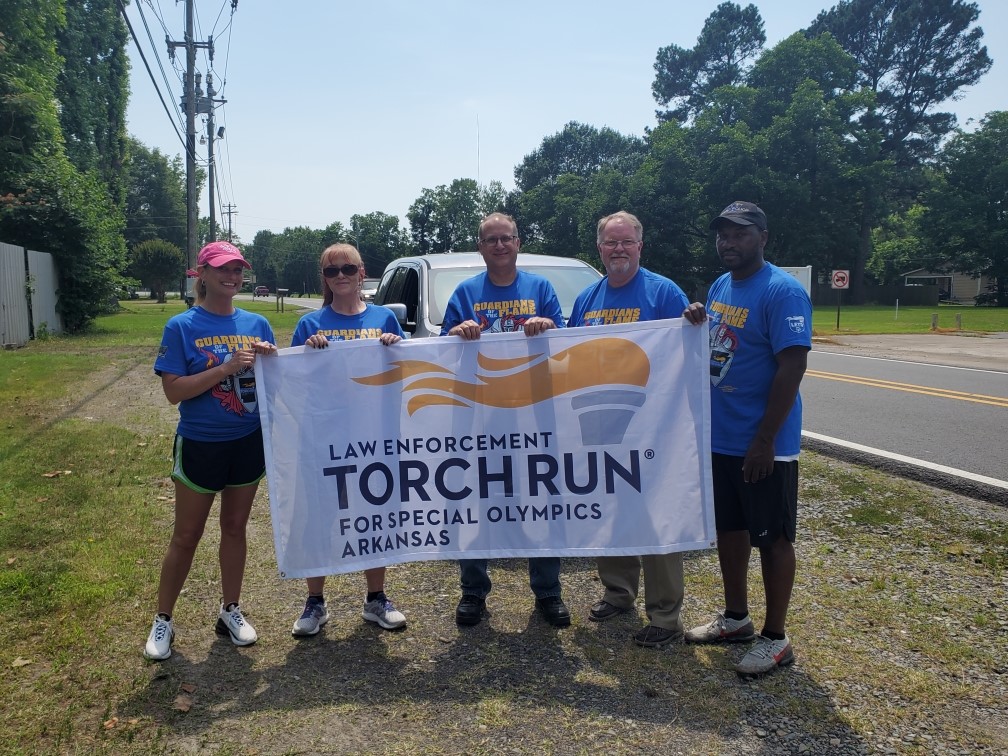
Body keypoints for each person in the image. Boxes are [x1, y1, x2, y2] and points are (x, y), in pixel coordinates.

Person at [682, 201, 812, 678]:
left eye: (739, 234)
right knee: (730, 530)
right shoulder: (721, 286)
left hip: (764, 444)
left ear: (763, 236)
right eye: (722, 234)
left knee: (773, 538)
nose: (728, 242)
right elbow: (716, 344)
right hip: (723, 437)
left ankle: (776, 639)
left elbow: (792, 366)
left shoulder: (783, 292)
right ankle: (736, 618)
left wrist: (764, 442)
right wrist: (696, 316)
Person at [144, 241, 278, 660]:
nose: (232, 277)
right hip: (201, 441)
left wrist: (271, 361)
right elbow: (172, 393)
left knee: (235, 528)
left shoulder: (257, 323)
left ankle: (230, 610)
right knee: (186, 535)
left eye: (238, 270)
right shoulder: (181, 326)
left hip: (247, 441)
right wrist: (224, 368)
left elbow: (275, 382)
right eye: (223, 269)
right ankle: (163, 619)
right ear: (200, 273)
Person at [440, 212, 571, 628]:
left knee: (542, 503)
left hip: (534, 415)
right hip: (480, 417)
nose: (499, 245)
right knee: (477, 505)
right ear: (480, 247)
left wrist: (548, 323)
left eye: (506, 238)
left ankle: (548, 592)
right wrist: (458, 331)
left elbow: (568, 341)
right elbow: (441, 351)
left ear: (518, 243)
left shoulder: (541, 287)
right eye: (491, 240)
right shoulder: (465, 292)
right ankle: (473, 592)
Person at [568, 210, 690, 648]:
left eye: (626, 242)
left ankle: (665, 615)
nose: (618, 249)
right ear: (599, 248)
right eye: (610, 242)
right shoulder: (588, 299)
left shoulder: (663, 292)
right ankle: (618, 592)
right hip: (602, 423)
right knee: (610, 510)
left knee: (656, 517)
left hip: (654, 426)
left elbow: (687, 352)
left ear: (640, 245)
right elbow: (571, 354)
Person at [289, 243, 408, 637]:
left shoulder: (384, 318)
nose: (340, 275)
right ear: (323, 278)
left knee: (374, 514)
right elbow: (291, 381)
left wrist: (397, 350)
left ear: (362, 273)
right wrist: (306, 354)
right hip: (324, 437)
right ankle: (315, 603)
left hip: (373, 435)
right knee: (322, 517)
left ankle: (376, 598)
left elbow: (404, 377)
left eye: (347, 268)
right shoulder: (310, 325)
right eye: (331, 270)